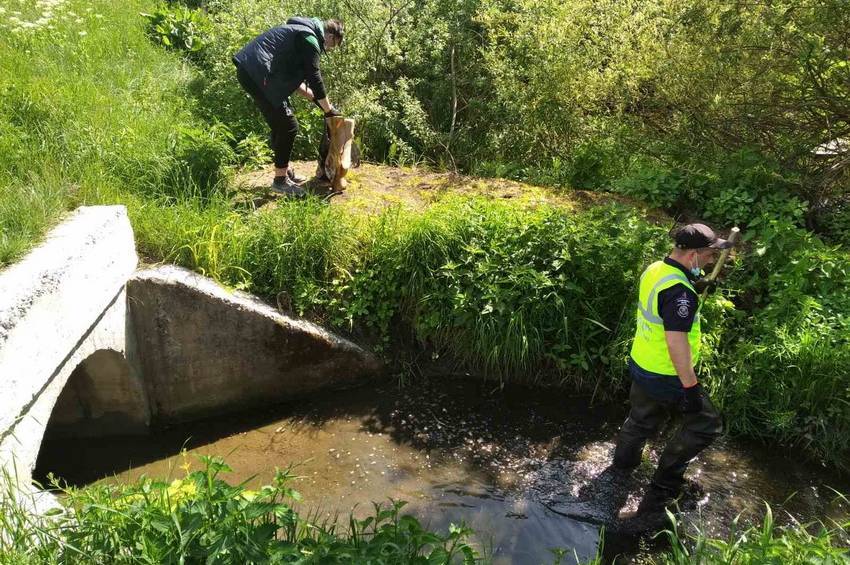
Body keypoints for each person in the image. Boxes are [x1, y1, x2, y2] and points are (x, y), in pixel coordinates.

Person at [613, 223, 730, 516]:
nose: (710, 261)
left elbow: (662, 304)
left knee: (640, 420)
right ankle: (664, 486)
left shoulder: (656, 269)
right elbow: (676, 339)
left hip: (642, 363)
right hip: (667, 372)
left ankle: (621, 467)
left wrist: (696, 286)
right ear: (692, 254)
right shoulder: (679, 292)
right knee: (706, 425)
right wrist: (690, 387)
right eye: (707, 255)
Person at [233, 17, 344, 197]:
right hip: (258, 73)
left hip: (251, 71)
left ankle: (283, 171)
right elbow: (315, 78)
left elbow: (300, 85)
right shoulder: (309, 39)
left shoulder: (299, 32)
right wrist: (329, 111)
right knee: (288, 126)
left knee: (280, 124)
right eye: (334, 44)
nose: (330, 49)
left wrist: (322, 104)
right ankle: (280, 181)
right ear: (330, 36)